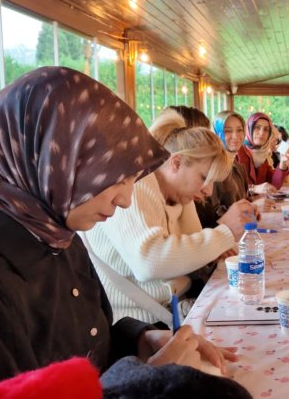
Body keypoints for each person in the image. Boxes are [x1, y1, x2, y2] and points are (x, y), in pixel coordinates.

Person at [0, 67, 249, 399]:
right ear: (60, 162)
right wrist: (150, 377)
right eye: (114, 179)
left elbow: (85, 342)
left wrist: (143, 338)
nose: (125, 200)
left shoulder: (57, 233)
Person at [83, 107, 258, 323]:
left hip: (176, 312)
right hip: (136, 326)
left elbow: (194, 252)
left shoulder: (178, 193)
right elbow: (149, 262)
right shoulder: (138, 183)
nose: (209, 190)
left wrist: (214, 249)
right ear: (175, 163)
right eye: (204, 177)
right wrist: (225, 233)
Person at [196, 110, 250, 229]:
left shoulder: (239, 167)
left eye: (240, 130)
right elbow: (211, 217)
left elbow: (243, 200)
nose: (236, 136)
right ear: (216, 133)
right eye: (227, 131)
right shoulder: (211, 168)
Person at [235, 112, 289, 193]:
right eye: (257, 127)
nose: (261, 133)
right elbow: (231, 188)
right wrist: (254, 189)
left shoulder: (263, 156)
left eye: (266, 129)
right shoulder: (237, 152)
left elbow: (274, 185)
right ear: (248, 128)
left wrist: (282, 163)